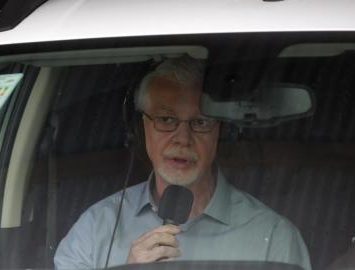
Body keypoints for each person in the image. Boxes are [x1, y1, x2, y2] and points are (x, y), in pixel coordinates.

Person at [54, 56, 311, 270]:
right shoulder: (95, 228)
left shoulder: (274, 236)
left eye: (200, 123)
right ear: (141, 127)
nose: (183, 139)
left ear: (220, 131)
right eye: (166, 120)